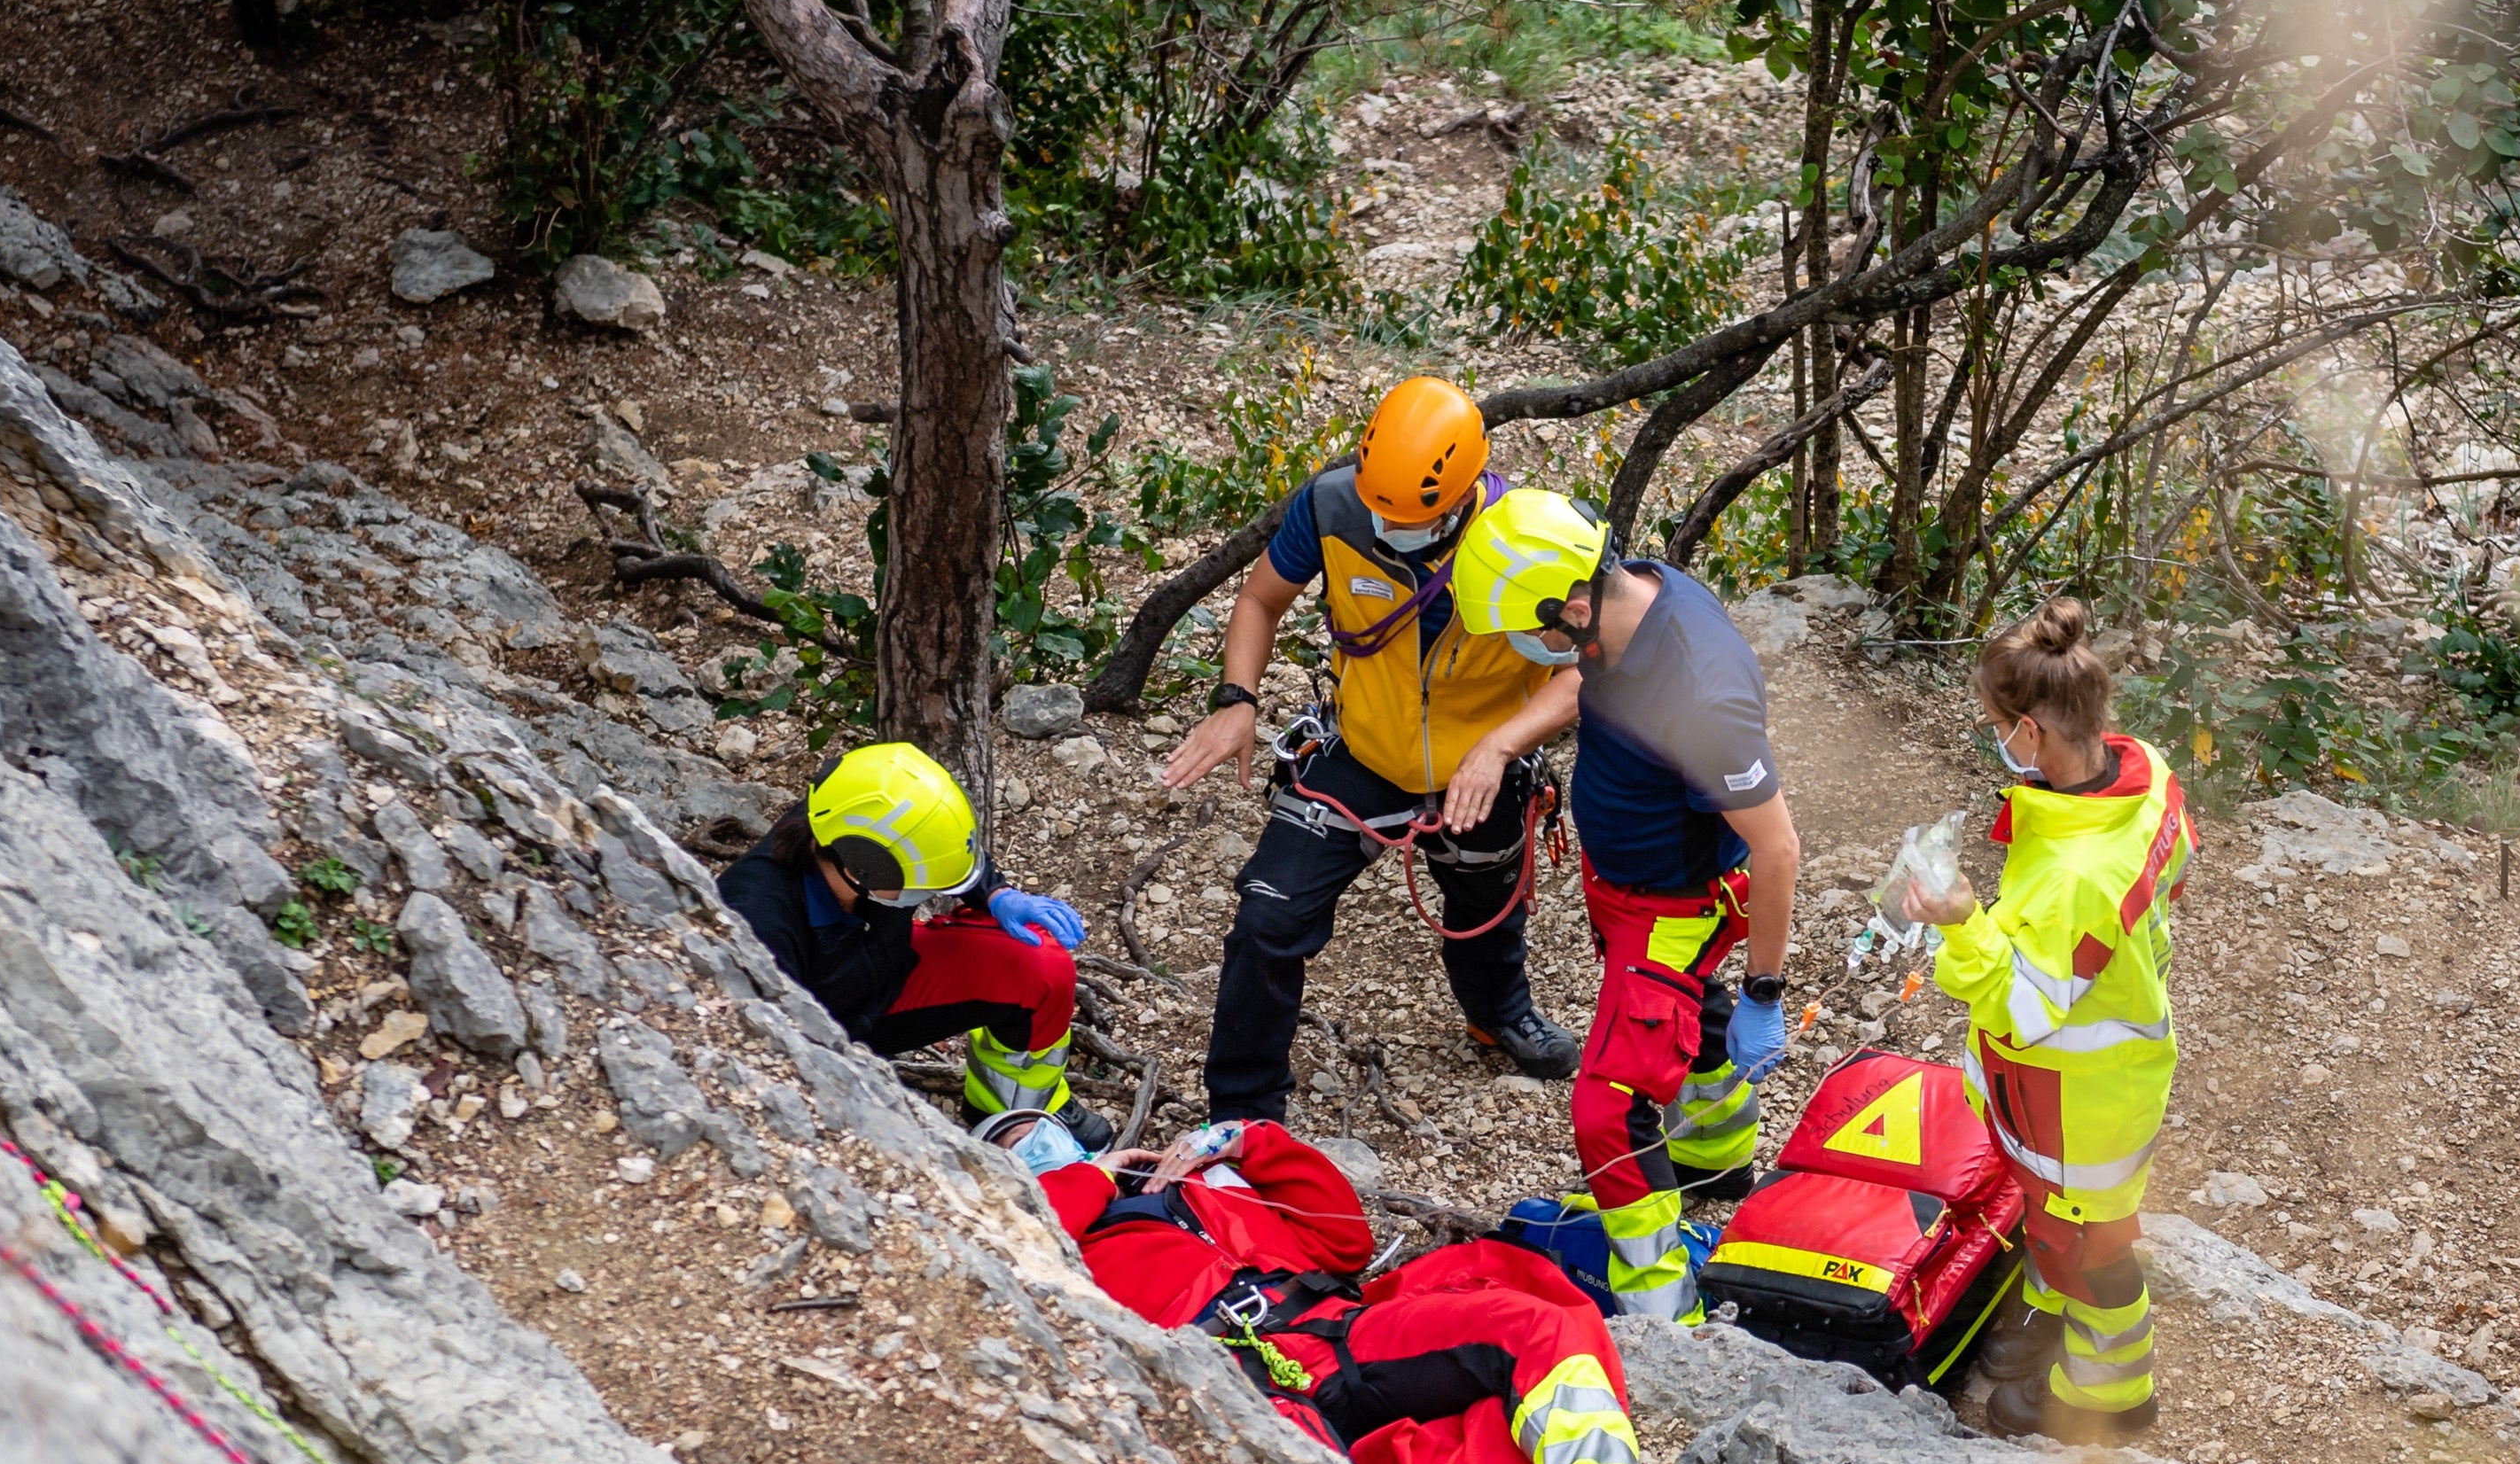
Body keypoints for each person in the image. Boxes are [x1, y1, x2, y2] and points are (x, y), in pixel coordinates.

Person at [990, 1110, 1706, 1464]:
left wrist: (1246, 1143)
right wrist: (1087, 1179)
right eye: (1015, 1151)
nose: (1034, 1153)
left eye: (1040, 1137)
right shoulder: (1054, 1241)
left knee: (1531, 1327)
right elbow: (1011, 1227)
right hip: (1218, 1374)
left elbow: (1345, 1240)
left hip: (1333, 1330)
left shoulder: (1198, 1189)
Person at [1156, 377, 1582, 1116]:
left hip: (1481, 759)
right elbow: (1260, 599)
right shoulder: (1332, 506)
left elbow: (1587, 669)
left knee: (1486, 902)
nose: (1386, 526)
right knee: (1268, 915)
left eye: (1409, 515)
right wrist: (1237, 700)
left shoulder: (1529, 541)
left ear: (1464, 492)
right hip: (1361, 752)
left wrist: (1501, 747)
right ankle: (1243, 1110)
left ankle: (1498, 1012)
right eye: (1378, 505)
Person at [1444, 488, 1800, 1322]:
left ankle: (1661, 1310)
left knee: (1607, 1110)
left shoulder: (1700, 692)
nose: (1532, 651)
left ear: (1570, 605)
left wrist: (1766, 993)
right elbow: (1582, 680)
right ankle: (1718, 1159)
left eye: (1531, 634)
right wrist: (1500, 744)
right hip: (1630, 887)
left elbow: (1779, 847)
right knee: (1685, 1023)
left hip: (1671, 907)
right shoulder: (1633, 593)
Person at [1891, 599, 2190, 1445]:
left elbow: (2023, 1010)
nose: (1999, 745)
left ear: (2030, 729)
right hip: (2113, 1063)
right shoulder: (2144, 773)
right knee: (2065, 1223)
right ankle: (2054, 1296)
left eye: (1997, 728)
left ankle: (2109, 1389)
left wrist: (1962, 919)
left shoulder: (2074, 876)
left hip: (2076, 1095)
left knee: (2090, 1243)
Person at [716, 741, 1105, 1140]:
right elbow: (769, 1051)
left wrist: (995, 893)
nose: (929, 893)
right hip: (824, 1023)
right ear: (863, 871)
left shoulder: (848, 818)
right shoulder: (756, 922)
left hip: (887, 972)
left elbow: (939, 851)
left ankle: (1016, 1111)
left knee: (1040, 966)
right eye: (920, 885)